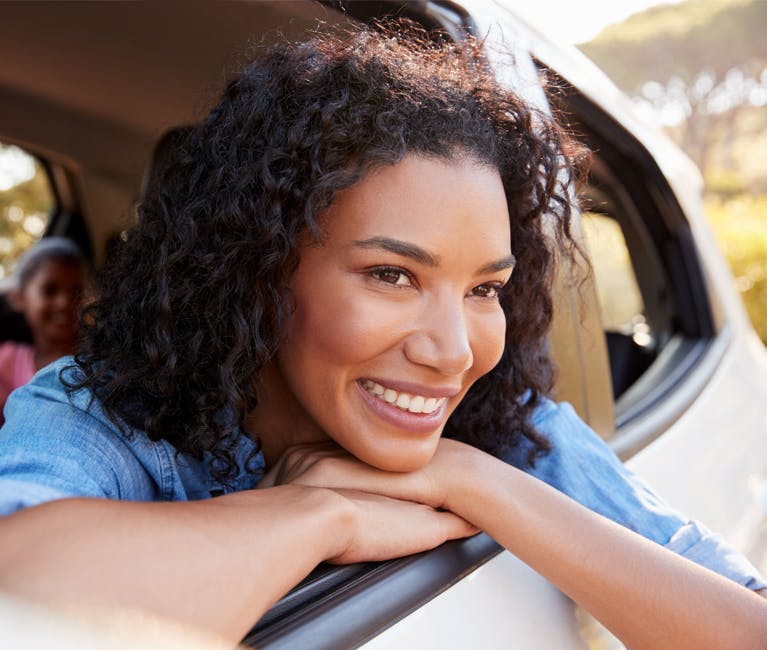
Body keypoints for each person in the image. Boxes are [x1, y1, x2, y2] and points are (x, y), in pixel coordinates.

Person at [0, 25, 765, 648]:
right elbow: (21, 599)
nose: (454, 352)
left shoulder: (510, 429)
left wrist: (473, 479)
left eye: (483, 290)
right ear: (254, 270)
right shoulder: (100, 418)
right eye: (391, 276)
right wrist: (313, 513)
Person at [0, 237, 85, 422]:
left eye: (76, 291)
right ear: (18, 298)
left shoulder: (100, 359)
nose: (64, 302)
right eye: (49, 290)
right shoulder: (7, 362)